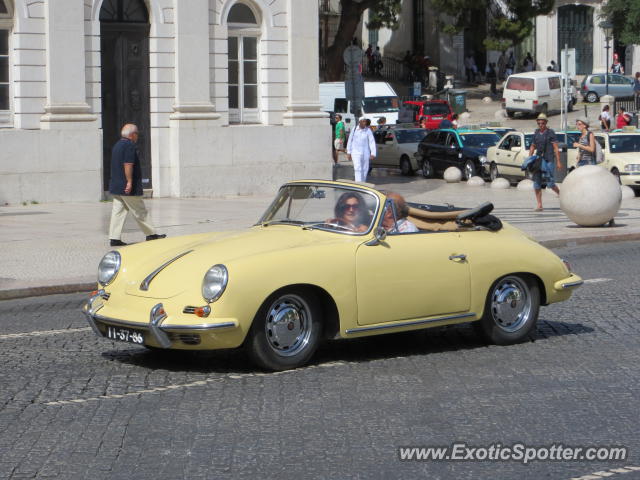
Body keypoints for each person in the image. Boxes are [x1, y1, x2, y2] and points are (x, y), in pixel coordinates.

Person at [108, 124, 166, 246]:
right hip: (127, 187)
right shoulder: (129, 146)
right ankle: (151, 234)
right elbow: (128, 164)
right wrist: (129, 182)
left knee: (118, 212)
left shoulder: (117, 145)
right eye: (137, 134)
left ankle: (114, 238)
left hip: (117, 186)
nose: (137, 136)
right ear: (132, 135)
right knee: (140, 210)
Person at [527, 113, 561, 212]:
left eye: (542, 123)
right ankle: (539, 204)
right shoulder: (536, 132)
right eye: (539, 123)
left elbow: (555, 147)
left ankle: (560, 194)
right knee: (536, 183)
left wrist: (558, 161)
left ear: (546, 123)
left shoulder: (551, 132)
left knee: (550, 183)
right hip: (538, 160)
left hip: (548, 159)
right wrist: (529, 159)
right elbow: (533, 146)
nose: (540, 125)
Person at [347, 116, 376, 182]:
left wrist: (373, 153)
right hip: (355, 152)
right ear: (359, 122)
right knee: (357, 168)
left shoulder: (368, 130)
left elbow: (372, 142)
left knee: (365, 169)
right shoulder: (354, 129)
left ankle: (363, 183)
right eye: (363, 121)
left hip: (366, 152)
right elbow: (350, 140)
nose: (364, 123)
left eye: (365, 121)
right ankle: (358, 184)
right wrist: (349, 152)